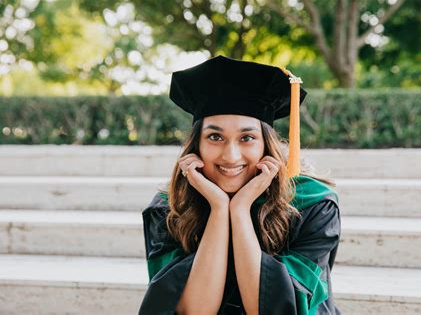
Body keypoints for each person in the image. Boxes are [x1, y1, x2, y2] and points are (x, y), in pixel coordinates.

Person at [138, 55, 341, 315]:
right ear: (196, 145)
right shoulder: (169, 208)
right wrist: (220, 207)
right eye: (215, 136)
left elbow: (276, 309)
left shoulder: (312, 204)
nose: (231, 156)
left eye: (247, 137)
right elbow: (194, 311)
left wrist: (240, 208)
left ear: (267, 144)